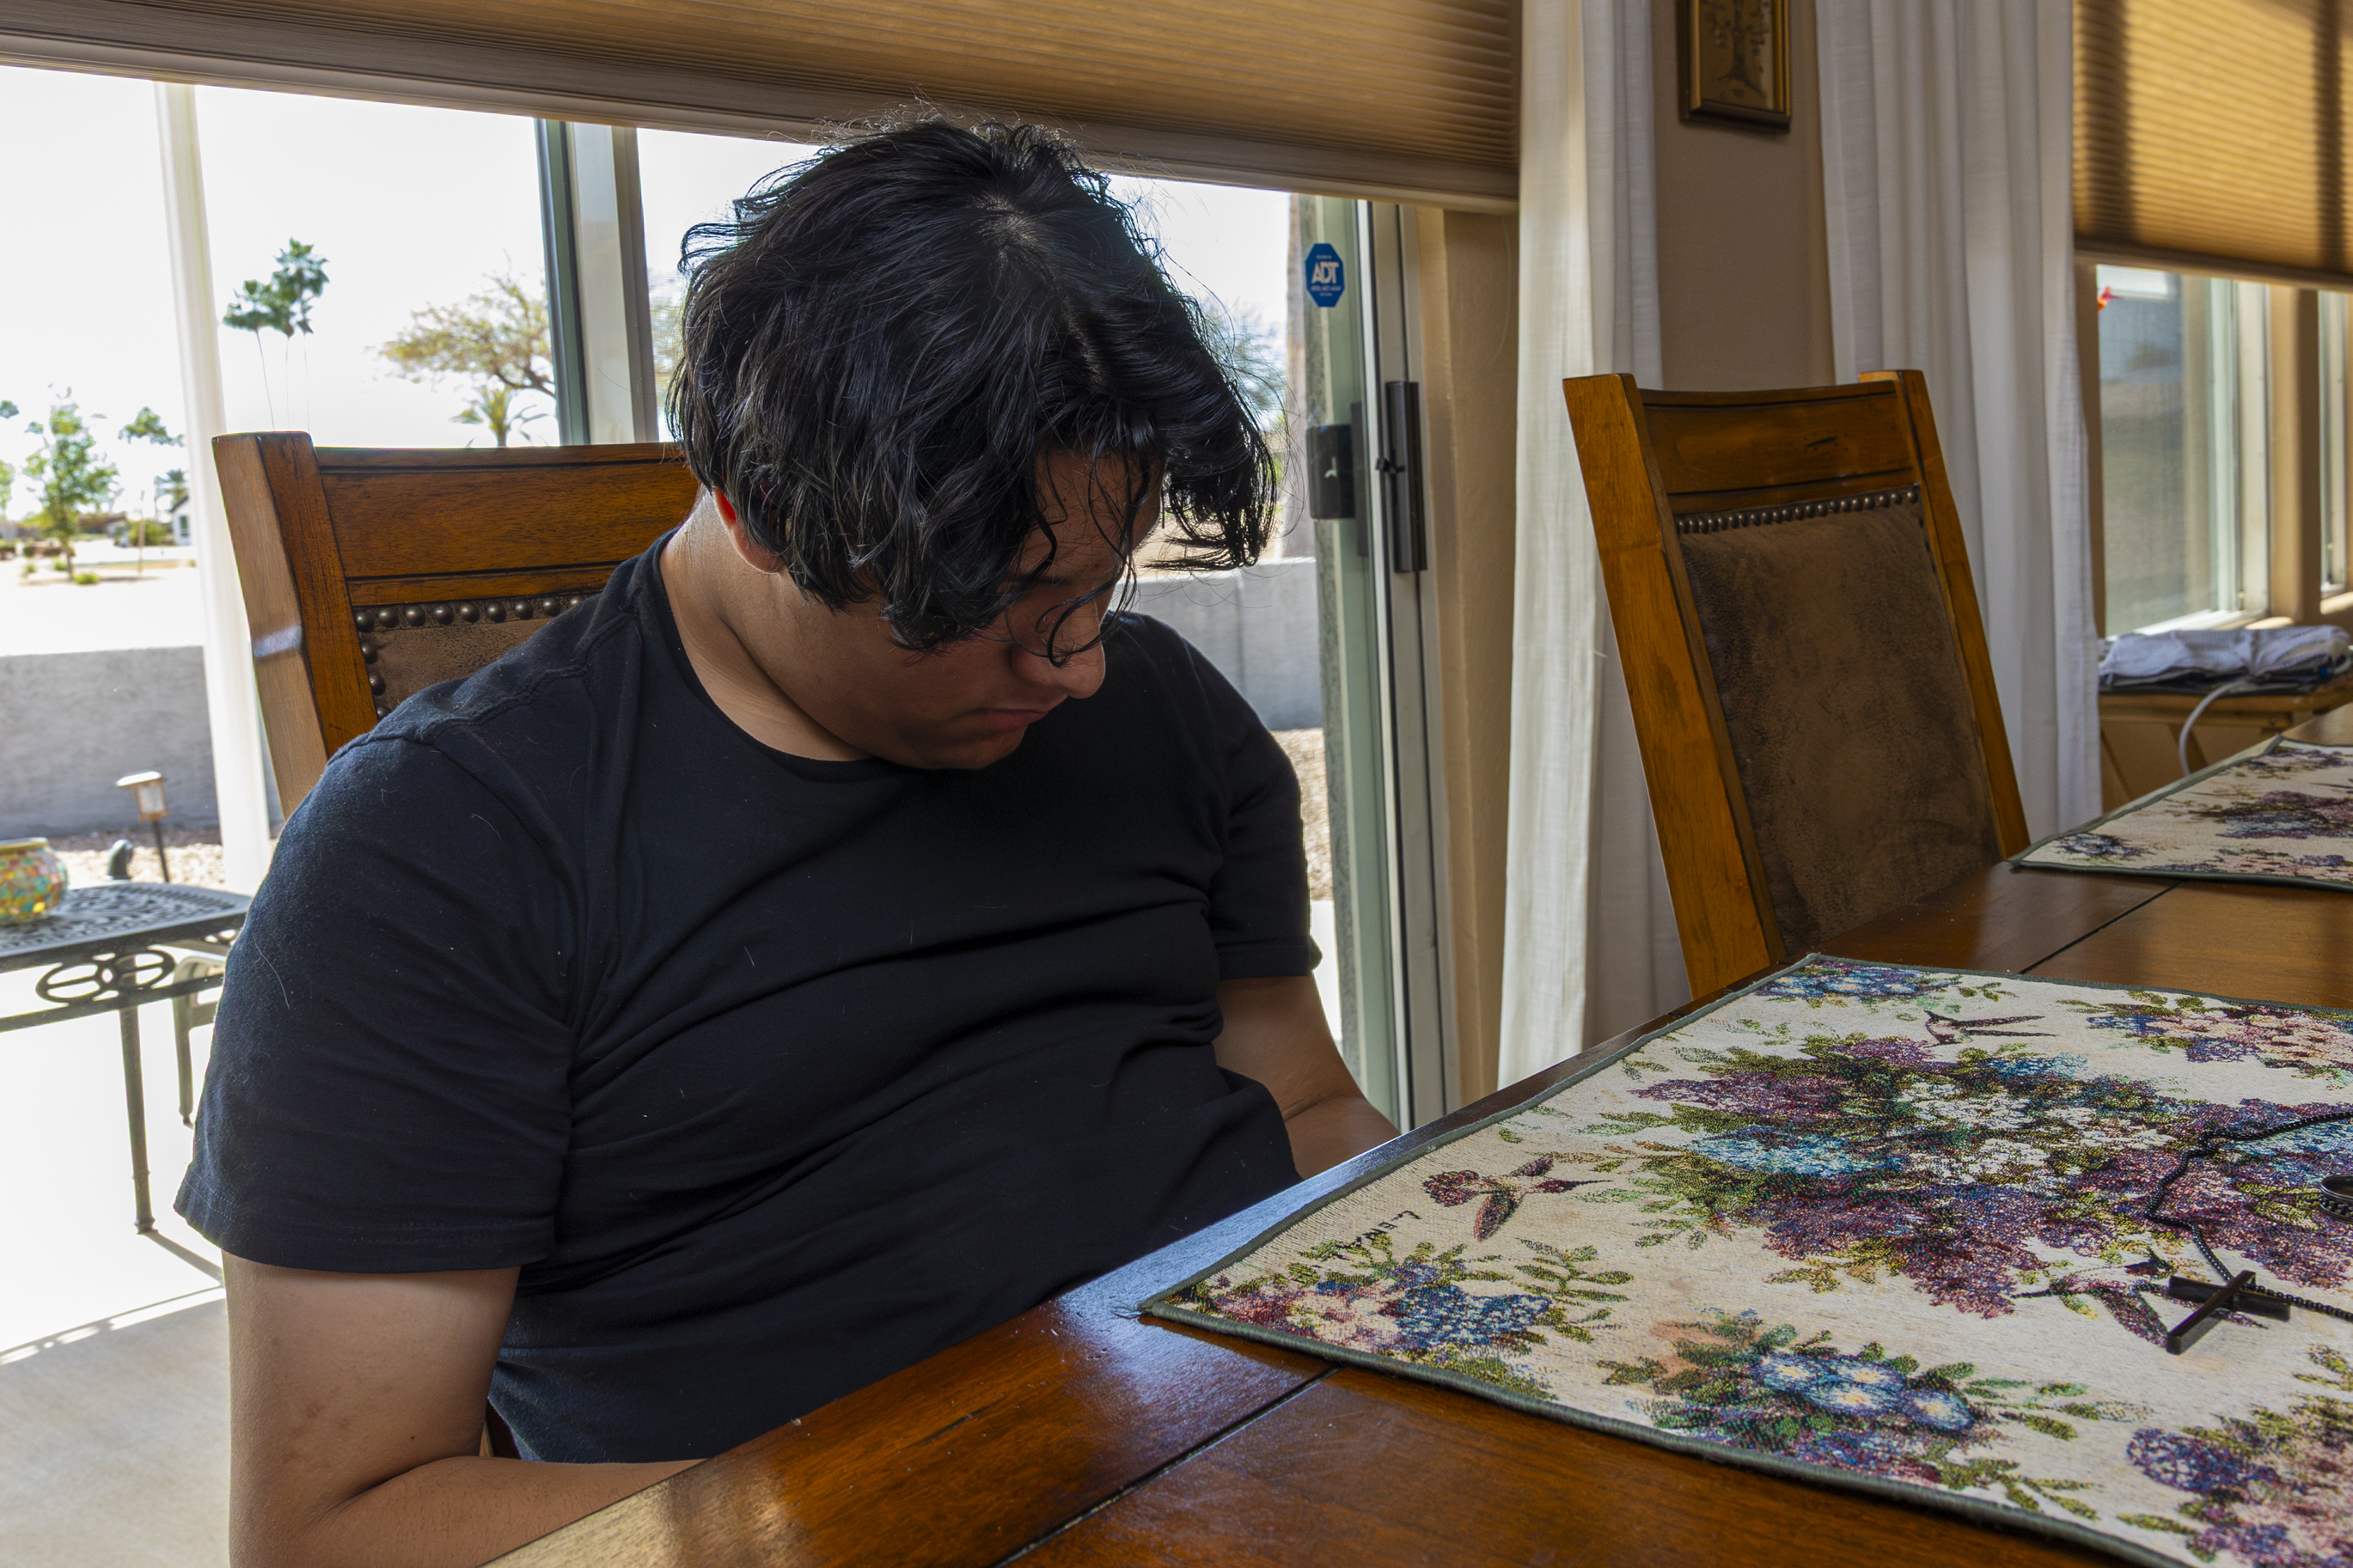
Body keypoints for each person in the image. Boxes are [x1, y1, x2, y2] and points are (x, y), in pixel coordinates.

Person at [179, 119, 1398, 1568]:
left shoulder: (1161, 711)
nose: (1075, 666)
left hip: (1283, 1461)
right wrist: (964, 1490)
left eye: (1098, 587)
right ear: (762, 512)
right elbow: (338, 1528)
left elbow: (1304, 1107)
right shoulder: (439, 847)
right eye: (991, 604)